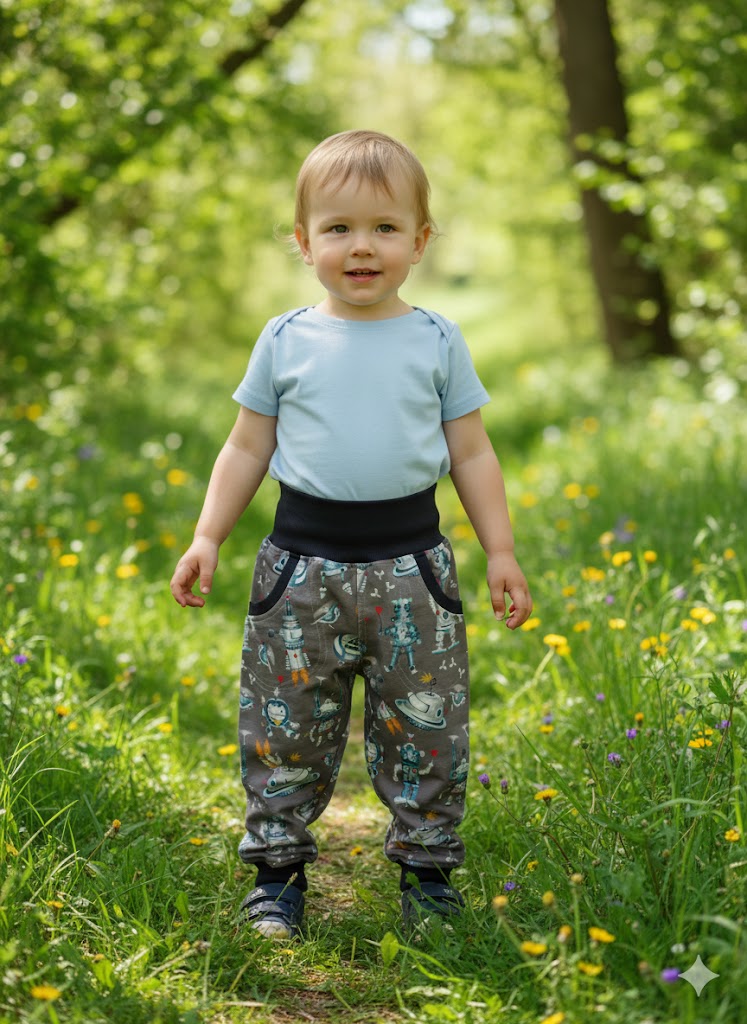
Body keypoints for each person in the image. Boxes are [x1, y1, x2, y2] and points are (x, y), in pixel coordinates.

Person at [170, 129, 532, 940]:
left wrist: (499, 550)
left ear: (419, 241)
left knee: (427, 726)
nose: (360, 247)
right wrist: (207, 538)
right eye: (337, 229)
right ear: (303, 243)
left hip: (414, 568)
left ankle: (429, 876)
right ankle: (275, 875)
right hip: (298, 569)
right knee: (284, 724)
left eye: (383, 228)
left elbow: (470, 449)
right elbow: (246, 446)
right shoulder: (286, 338)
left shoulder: (435, 340)